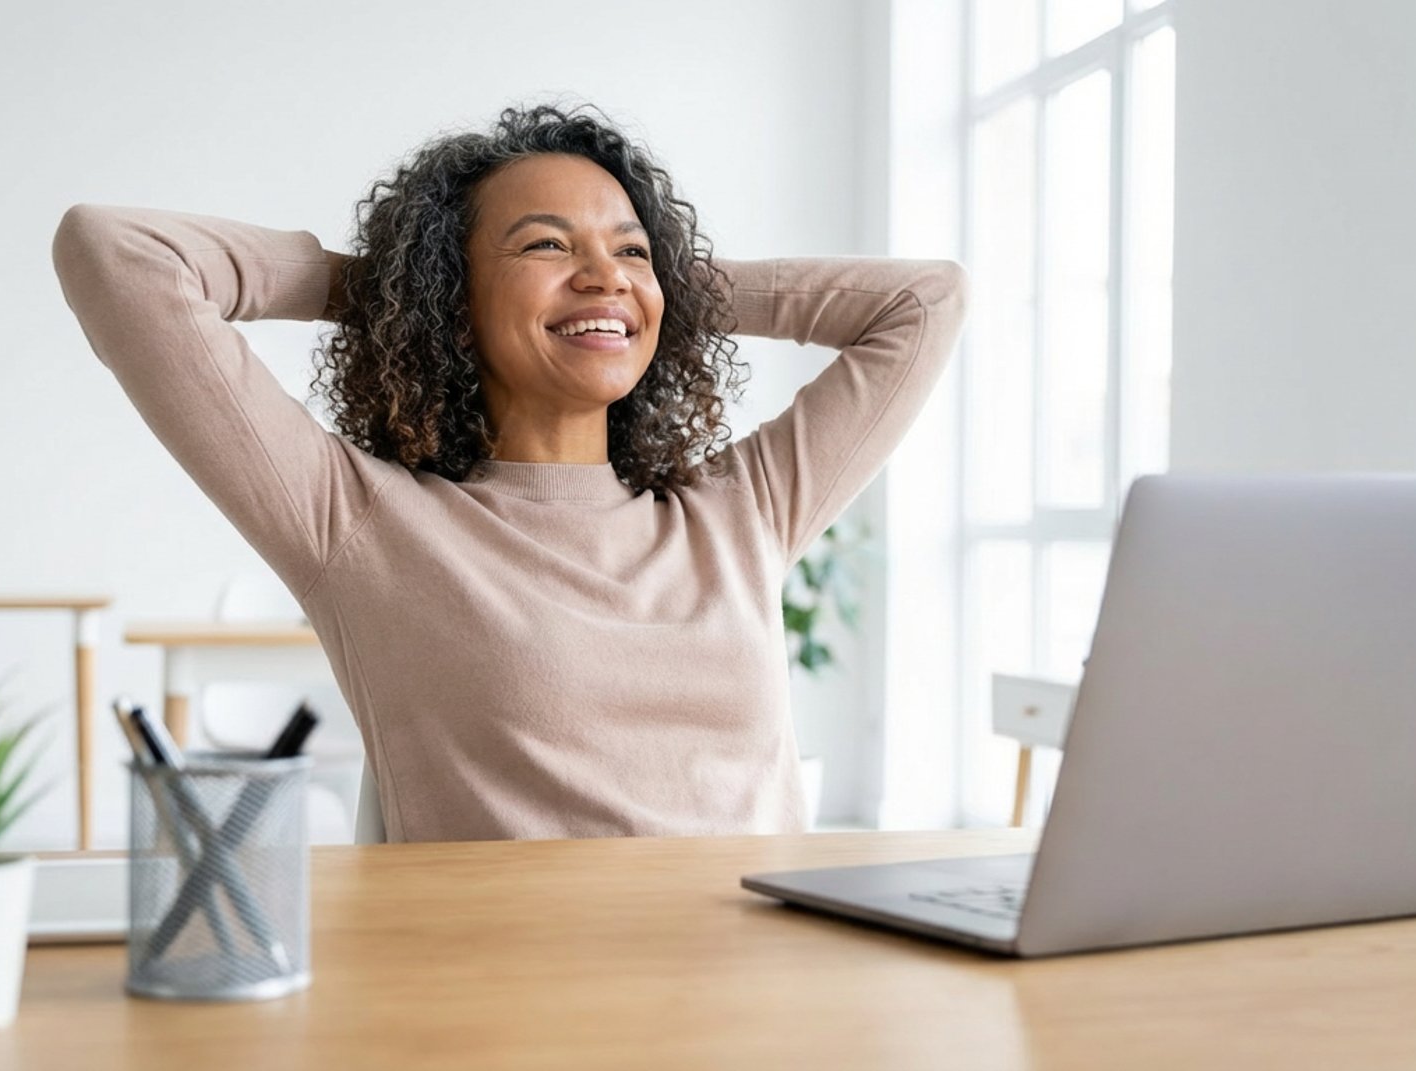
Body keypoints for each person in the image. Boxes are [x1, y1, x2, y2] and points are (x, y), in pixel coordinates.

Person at [51, 104, 968, 843]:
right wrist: (385, 287)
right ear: (451, 301)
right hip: (512, 1002)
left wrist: (666, 287)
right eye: (546, 245)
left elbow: (926, 301)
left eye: (632, 248)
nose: (605, 274)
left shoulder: (742, 512)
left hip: (753, 995)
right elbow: (118, 253)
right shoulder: (360, 523)